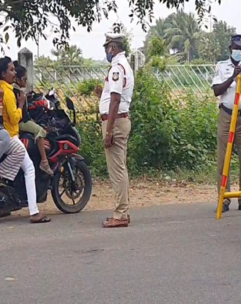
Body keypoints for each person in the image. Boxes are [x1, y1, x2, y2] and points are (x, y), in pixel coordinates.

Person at [0, 56, 51, 223]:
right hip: (11, 135)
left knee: (22, 169)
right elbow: (14, 119)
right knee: (29, 169)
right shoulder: (9, 93)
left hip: (3, 134)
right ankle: (34, 212)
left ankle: (5, 206)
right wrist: (20, 104)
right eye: (11, 70)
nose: (13, 73)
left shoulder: (0, 88)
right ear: (4, 73)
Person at [212, 34, 241, 213]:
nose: (239, 52)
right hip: (227, 114)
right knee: (224, 157)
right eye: (236, 48)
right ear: (230, 49)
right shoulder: (222, 67)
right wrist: (233, 78)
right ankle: (224, 197)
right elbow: (216, 90)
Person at [98, 24, 134, 228]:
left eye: (107, 47)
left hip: (116, 122)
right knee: (120, 167)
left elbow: (115, 100)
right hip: (120, 119)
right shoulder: (124, 67)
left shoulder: (117, 69)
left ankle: (120, 214)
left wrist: (109, 130)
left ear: (112, 47)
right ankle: (123, 210)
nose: (106, 51)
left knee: (117, 170)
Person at [12, 61, 54, 176]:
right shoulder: (18, 93)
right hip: (20, 122)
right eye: (24, 79)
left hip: (20, 120)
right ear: (18, 80)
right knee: (40, 130)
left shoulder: (14, 91)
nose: (26, 82)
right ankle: (44, 162)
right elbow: (22, 113)